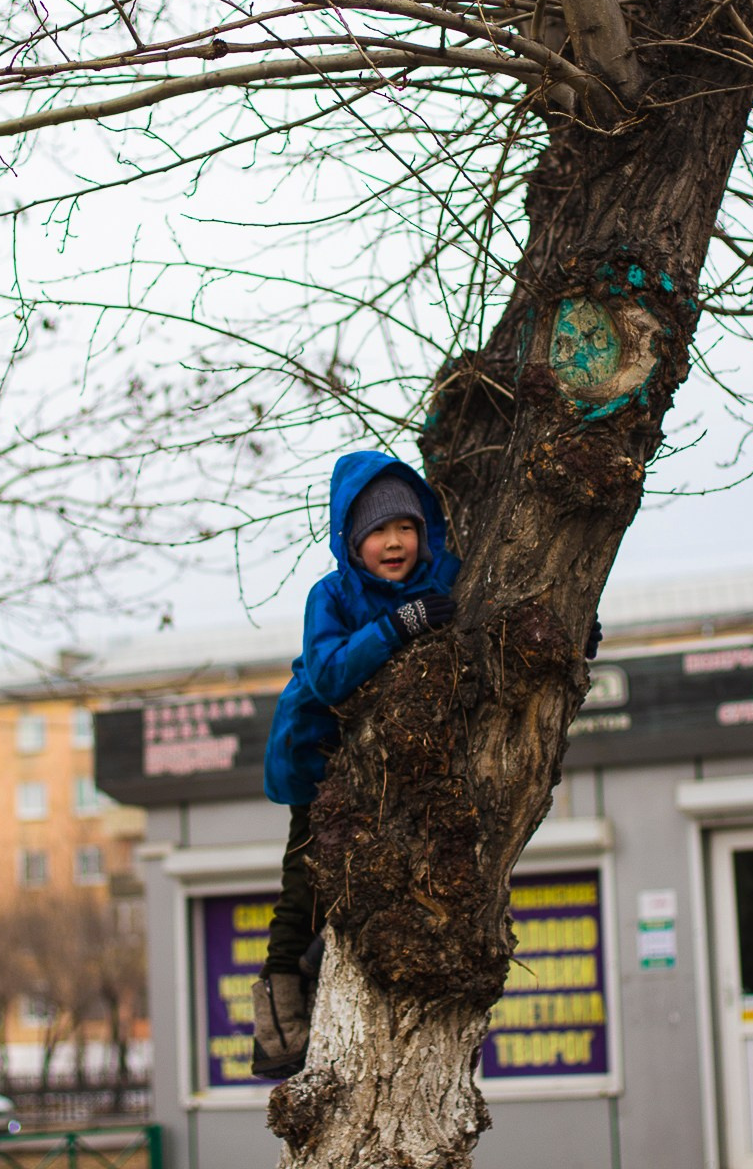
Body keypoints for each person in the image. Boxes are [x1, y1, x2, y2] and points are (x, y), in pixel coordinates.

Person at [251, 450, 460, 1078]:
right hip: (314, 752)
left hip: (388, 762)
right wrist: (398, 626)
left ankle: (326, 956)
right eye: (377, 531)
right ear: (352, 539)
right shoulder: (334, 594)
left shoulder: (442, 578)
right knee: (307, 878)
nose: (394, 543)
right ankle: (279, 1023)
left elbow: (498, 611)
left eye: (405, 528)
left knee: (390, 862)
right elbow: (331, 672)